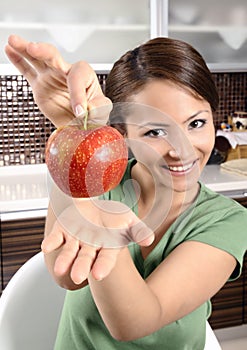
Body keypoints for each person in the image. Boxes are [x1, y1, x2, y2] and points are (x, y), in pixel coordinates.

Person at [5, 35, 247, 349]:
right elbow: (66, 275)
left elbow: (136, 322)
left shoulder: (228, 221)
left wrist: (107, 230)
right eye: (155, 131)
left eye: (196, 123)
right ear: (125, 135)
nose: (182, 149)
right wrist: (73, 129)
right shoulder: (98, 183)